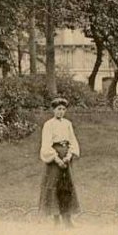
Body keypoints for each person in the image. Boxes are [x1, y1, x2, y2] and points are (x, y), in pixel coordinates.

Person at [38, 97, 80, 227]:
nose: (61, 112)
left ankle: (67, 218)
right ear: (53, 110)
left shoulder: (67, 123)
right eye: (58, 109)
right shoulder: (49, 124)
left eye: (63, 109)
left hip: (66, 155)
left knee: (66, 186)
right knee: (55, 186)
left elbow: (72, 140)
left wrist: (68, 156)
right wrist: (56, 159)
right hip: (54, 158)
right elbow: (46, 144)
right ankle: (55, 219)